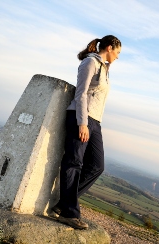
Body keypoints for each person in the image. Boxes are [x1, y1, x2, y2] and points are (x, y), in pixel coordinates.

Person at [52, 35, 122, 229]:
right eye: (117, 53)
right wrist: (82, 123)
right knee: (73, 162)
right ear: (109, 48)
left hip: (95, 122)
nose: (117, 57)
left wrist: (93, 123)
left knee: (97, 166)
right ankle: (69, 213)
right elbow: (81, 93)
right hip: (81, 118)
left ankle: (64, 204)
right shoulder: (90, 62)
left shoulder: (105, 68)